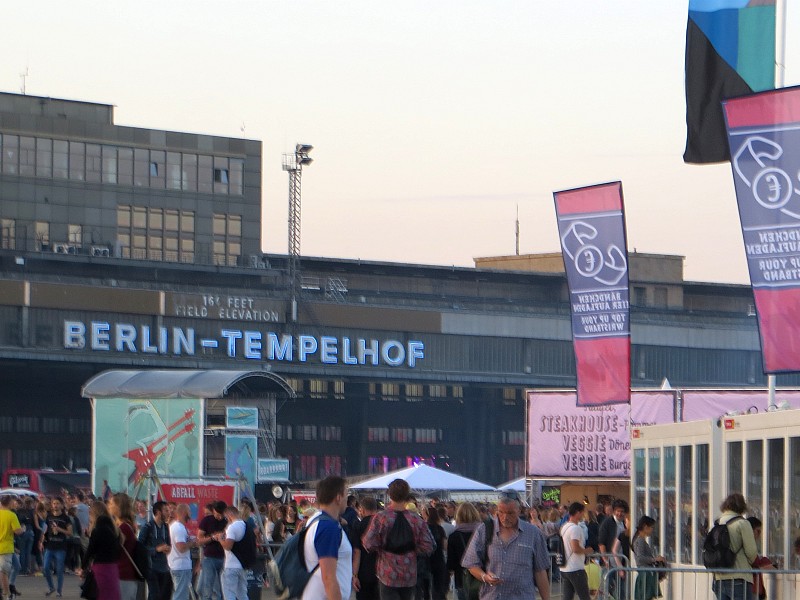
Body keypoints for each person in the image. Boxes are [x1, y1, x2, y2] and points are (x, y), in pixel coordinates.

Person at [461, 495, 551, 600]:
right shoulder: (484, 530)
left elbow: (540, 571)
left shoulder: (533, 533)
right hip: (491, 596)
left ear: (519, 511)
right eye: (501, 512)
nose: (505, 517)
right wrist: (484, 577)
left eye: (510, 513)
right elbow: (471, 564)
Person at [363, 479, 435, 600]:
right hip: (409, 573)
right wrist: (414, 550)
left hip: (387, 572)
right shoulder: (416, 519)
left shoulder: (381, 517)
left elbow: (368, 543)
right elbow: (429, 545)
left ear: (389, 494)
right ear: (407, 495)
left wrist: (381, 548)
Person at [301, 475, 352, 600]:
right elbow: (329, 578)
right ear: (338, 498)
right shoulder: (328, 527)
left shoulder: (315, 520)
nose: (347, 499)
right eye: (346, 494)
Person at [711, 493, 758, 600]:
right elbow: (751, 552)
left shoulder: (717, 523)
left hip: (719, 579)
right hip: (739, 578)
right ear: (742, 507)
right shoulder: (742, 523)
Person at [79, 500, 122, 600]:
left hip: (101, 568)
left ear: (93, 513)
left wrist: (83, 566)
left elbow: (91, 550)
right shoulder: (114, 528)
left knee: (100, 595)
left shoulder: (98, 529)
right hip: (113, 568)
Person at [446, 502, 481, 600]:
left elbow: (451, 563)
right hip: (481, 576)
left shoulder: (454, 536)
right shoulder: (482, 532)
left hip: (462, 576)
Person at [138, 500, 172, 600]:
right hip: (151, 567)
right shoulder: (148, 527)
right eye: (166, 510)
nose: (168, 513)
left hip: (164, 567)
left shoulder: (165, 527)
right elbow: (140, 548)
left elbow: (168, 543)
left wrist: (167, 548)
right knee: (155, 595)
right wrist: (156, 549)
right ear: (158, 512)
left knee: (162, 595)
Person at [559, 502, 593, 600]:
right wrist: (587, 550)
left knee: (567, 596)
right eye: (582, 512)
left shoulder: (564, 526)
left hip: (565, 567)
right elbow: (575, 548)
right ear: (578, 512)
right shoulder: (575, 528)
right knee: (584, 596)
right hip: (575, 567)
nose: (583, 515)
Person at [109, 493, 141, 600]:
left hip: (122, 574)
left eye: (112, 503)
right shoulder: (125, 526)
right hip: (123, 574)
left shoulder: (124, 528)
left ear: (118, 506)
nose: (109, 505)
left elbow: (114, 549)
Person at [214, 505, 249, 600]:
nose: (226, 520)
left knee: (229, 595)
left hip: (231, 565)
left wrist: (220, 539)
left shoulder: (232, 527)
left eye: (226, 517)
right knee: (242, 594)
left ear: (230, 514)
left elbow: (228, 546)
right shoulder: (245, 525)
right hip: (242, 565)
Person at [42, 496, 72, 597]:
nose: (55, 505)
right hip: (49, 546)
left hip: (60, 547)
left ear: (62, 505)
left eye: (57, 503)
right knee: (45, 567)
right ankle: (51, 587)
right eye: (54, 503)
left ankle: (59, 591)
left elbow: (70, 532)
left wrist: (60, 529)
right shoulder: (49, 516)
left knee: (59, 570)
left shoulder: (65, 518)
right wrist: (41, 540)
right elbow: (45, 530)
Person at [350, 496, 379, 600]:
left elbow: (357, 552)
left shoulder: (358, 526)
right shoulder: (382, 524)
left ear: (362, 509)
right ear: (376, 509)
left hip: (364, 572)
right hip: (381, 572)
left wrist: (355, 575)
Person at [197, 500, 227, 600]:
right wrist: (212, 538)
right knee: (207, 588)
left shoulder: (227, 521)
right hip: (209, 558)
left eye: (221, 515)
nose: (219, 517)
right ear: (213, 511)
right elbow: (199, 540)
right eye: (217, 514)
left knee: (220, 588)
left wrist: (223, 536)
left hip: (223, 557)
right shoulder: (207, 521)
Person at [168, 504, 200, 600]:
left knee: (179, 593)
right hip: (181, 566)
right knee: (181, 596)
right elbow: (181, 547)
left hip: (176, 565)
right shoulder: (179, 528)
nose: (190, 516)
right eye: (189, 513)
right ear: (183, 513)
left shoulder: (175, 526)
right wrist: (192, 543)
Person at [631, 516, 665, 600]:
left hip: (647, 574)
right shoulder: (640, 541)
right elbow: (640, 558)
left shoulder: (640, 540)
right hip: (645, 575)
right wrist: (655, 559)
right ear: (646, 527)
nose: (653, 530)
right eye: (652, 527)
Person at [0, 495, 23, 600]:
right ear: (9, 503)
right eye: (13, 502)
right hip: (5, 548)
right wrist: (23, 528)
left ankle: (10, 586)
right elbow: (17, 531)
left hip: (8, 548)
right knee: (3, 572)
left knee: (17, 566)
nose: (14, 504)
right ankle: (7, 594)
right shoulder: (11, 515)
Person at [746, 517, 774, 600]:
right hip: (751, 587)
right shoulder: (747, 546)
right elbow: (754, 563)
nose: (759, 535)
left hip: (756, 588)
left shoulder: (751, 545)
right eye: (758, 531)